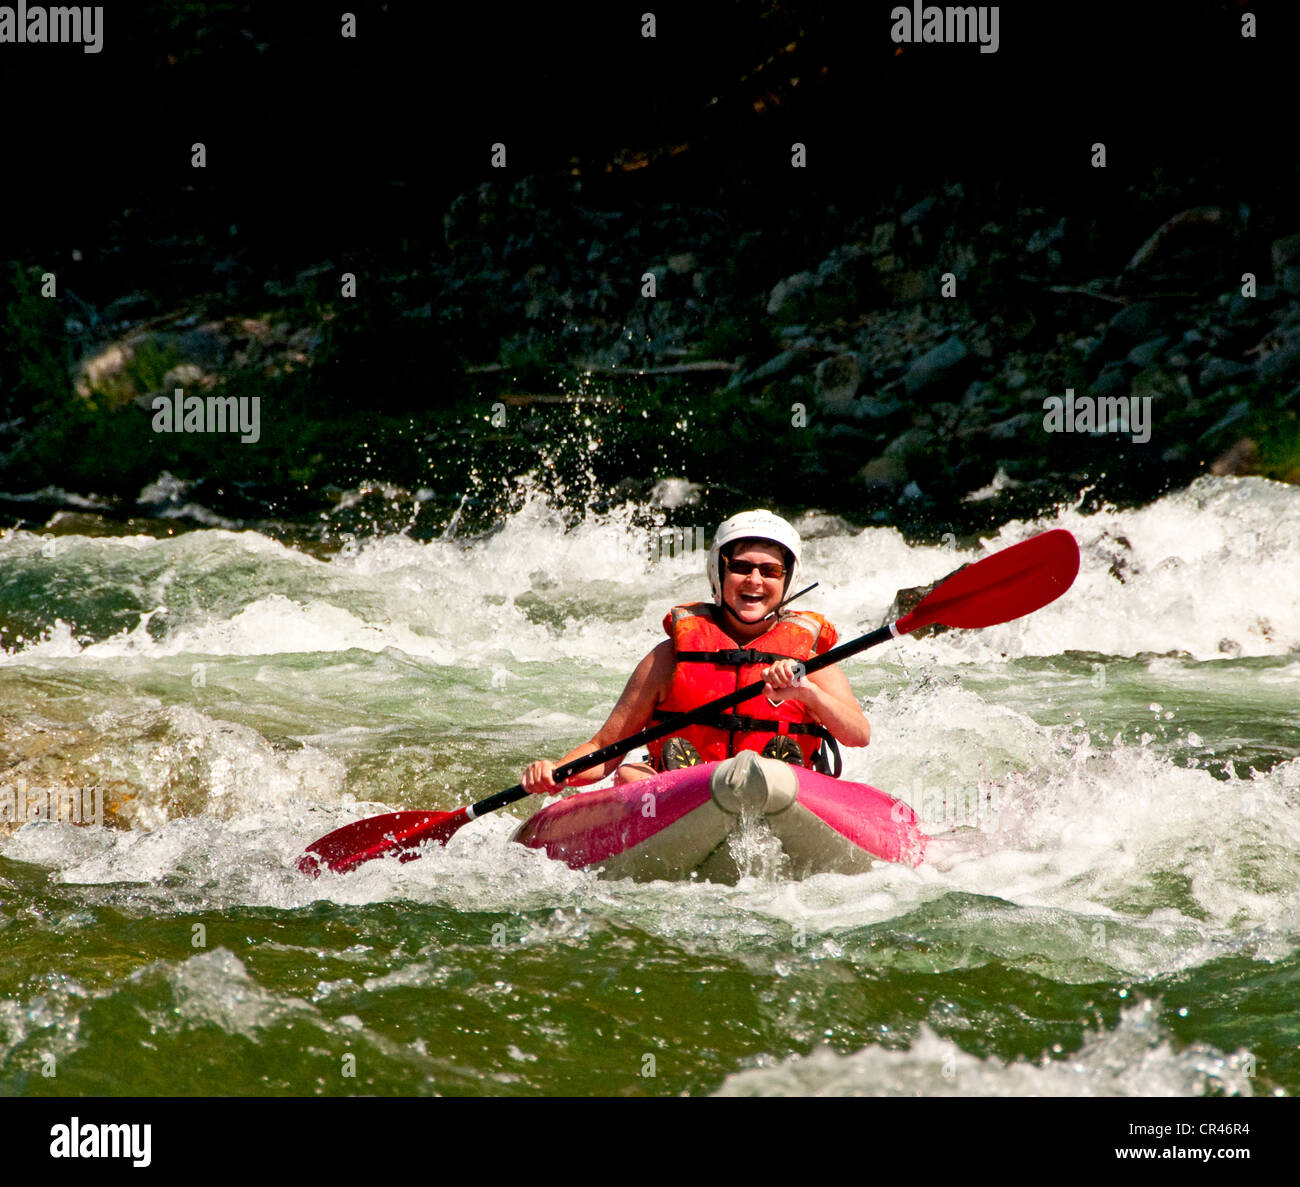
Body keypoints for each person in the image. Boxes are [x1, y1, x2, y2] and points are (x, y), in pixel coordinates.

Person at [522, 510, 870, 796]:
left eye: (770, 571)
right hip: (683, 791)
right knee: (631, 775)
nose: (754, 579)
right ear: (719, 573)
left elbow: (858, 734)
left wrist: (807, 692)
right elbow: (605, 749)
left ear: (787, 581)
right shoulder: (668, 659)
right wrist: (557, 771)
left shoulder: (807, 660)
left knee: (784, 780)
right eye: (740, 567)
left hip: (779, 791)